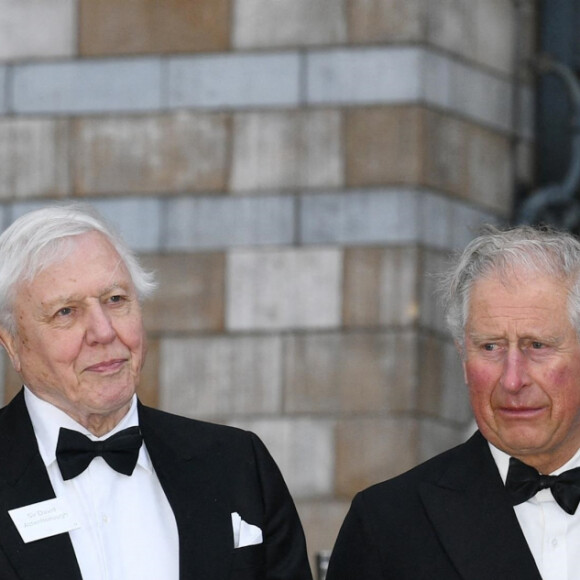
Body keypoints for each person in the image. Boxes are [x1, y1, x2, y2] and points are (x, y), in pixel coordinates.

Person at [0, 203, 312, 580]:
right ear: (13, 345)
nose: (103, 331)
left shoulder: (236, 465)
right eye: (66, 312)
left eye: (115, 300)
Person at [326, 224, 580, 580]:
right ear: (463, 359)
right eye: (490, 347)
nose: (512, 379)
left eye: (537, 346)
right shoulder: (387, 524)